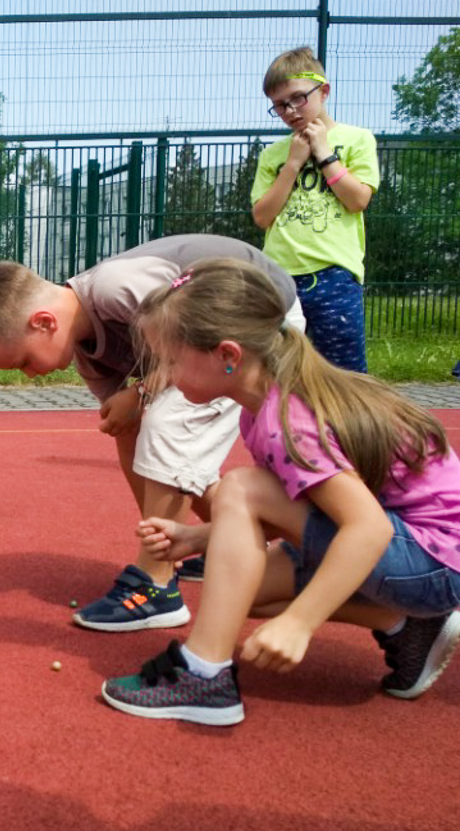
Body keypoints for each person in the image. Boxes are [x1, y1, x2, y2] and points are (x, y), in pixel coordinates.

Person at [100, 259, 460, 725]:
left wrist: (299, 621)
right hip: (419, 554)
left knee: (242, 487)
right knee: (237, 594)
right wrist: (199, 538)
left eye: (169, 360)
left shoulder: (290, 419)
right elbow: (294, 508)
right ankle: (408, 625)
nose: (162, 374)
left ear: (228, 355)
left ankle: (204, 675)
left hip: (435, 560)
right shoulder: (263, 407)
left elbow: (367, 528)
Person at [0, 235, 305, 631]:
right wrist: (133, 406)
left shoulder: (115, 288)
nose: (30, 374)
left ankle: (156, 583)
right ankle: (220, 539)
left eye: (24, 361)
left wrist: (139, 393)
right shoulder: (90, 357)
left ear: (44, 322)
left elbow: (197, 340)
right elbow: (136, 427)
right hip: (214, 343)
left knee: (167, 421)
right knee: (134, 428)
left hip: (259, 319)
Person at [252, 46, 379, 373]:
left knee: (343, 372)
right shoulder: (274, 155)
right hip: (280, 276)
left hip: (334, 274)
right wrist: (293, 164)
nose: (290, 110)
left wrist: (324, 153)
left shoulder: (357, 139)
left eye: (298, 98)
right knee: (278, 370)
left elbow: (357, 200)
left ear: (323, 91)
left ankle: (342, 412)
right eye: (280, 105)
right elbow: (262, 217)